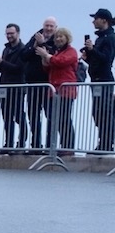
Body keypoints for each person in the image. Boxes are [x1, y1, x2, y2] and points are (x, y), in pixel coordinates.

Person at [36, 26, 79, 155]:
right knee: (53, 119)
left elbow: (61, 62)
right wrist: (45, 59)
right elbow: (49, 68)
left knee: (64, 118)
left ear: (67, 38)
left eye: (61, 36)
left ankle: (68, 147)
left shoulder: (71, 51)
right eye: (57, 37)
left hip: (66, 91)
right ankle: (55, 146)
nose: (58, 39)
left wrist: (46, 55)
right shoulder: (56, 53)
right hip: (54, 90)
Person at [0, 23, 30, 152]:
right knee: (6, 117)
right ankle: (8, 144)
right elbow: (4, 69)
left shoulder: (23, 49)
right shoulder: (6, 49)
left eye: (11, 33)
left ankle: (21, 143)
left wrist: (1, 62)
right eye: (7, 34)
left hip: (17, 87)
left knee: (18, 116)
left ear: (18, 33)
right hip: (4, 86)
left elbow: (18, 69)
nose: (9, 36)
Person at [83, 7, 115, 153]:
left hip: (104, 80)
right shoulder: (101, 37)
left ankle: (107, 143)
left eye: (95, 18)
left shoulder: (110, 38)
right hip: (96, 79)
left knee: (105, 112)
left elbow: (107, 59)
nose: (93, 21)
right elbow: (97, 60)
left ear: (104, 20)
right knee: (98, 112)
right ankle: (103, 142)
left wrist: (93, 49)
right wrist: (88, 55)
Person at [23, 17, 57, 151]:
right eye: (46, 26)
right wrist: (36, 46)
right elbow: (24, 55)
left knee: (50, 116)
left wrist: (43, 45)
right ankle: (36, 145)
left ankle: (50, 146)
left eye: (51, 26)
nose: (48, 29)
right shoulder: (36, 36)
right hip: (33, 83)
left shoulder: (58, 39)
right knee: (33, 115)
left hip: (49, 84)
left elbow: (55, 55)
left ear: (55, 28)